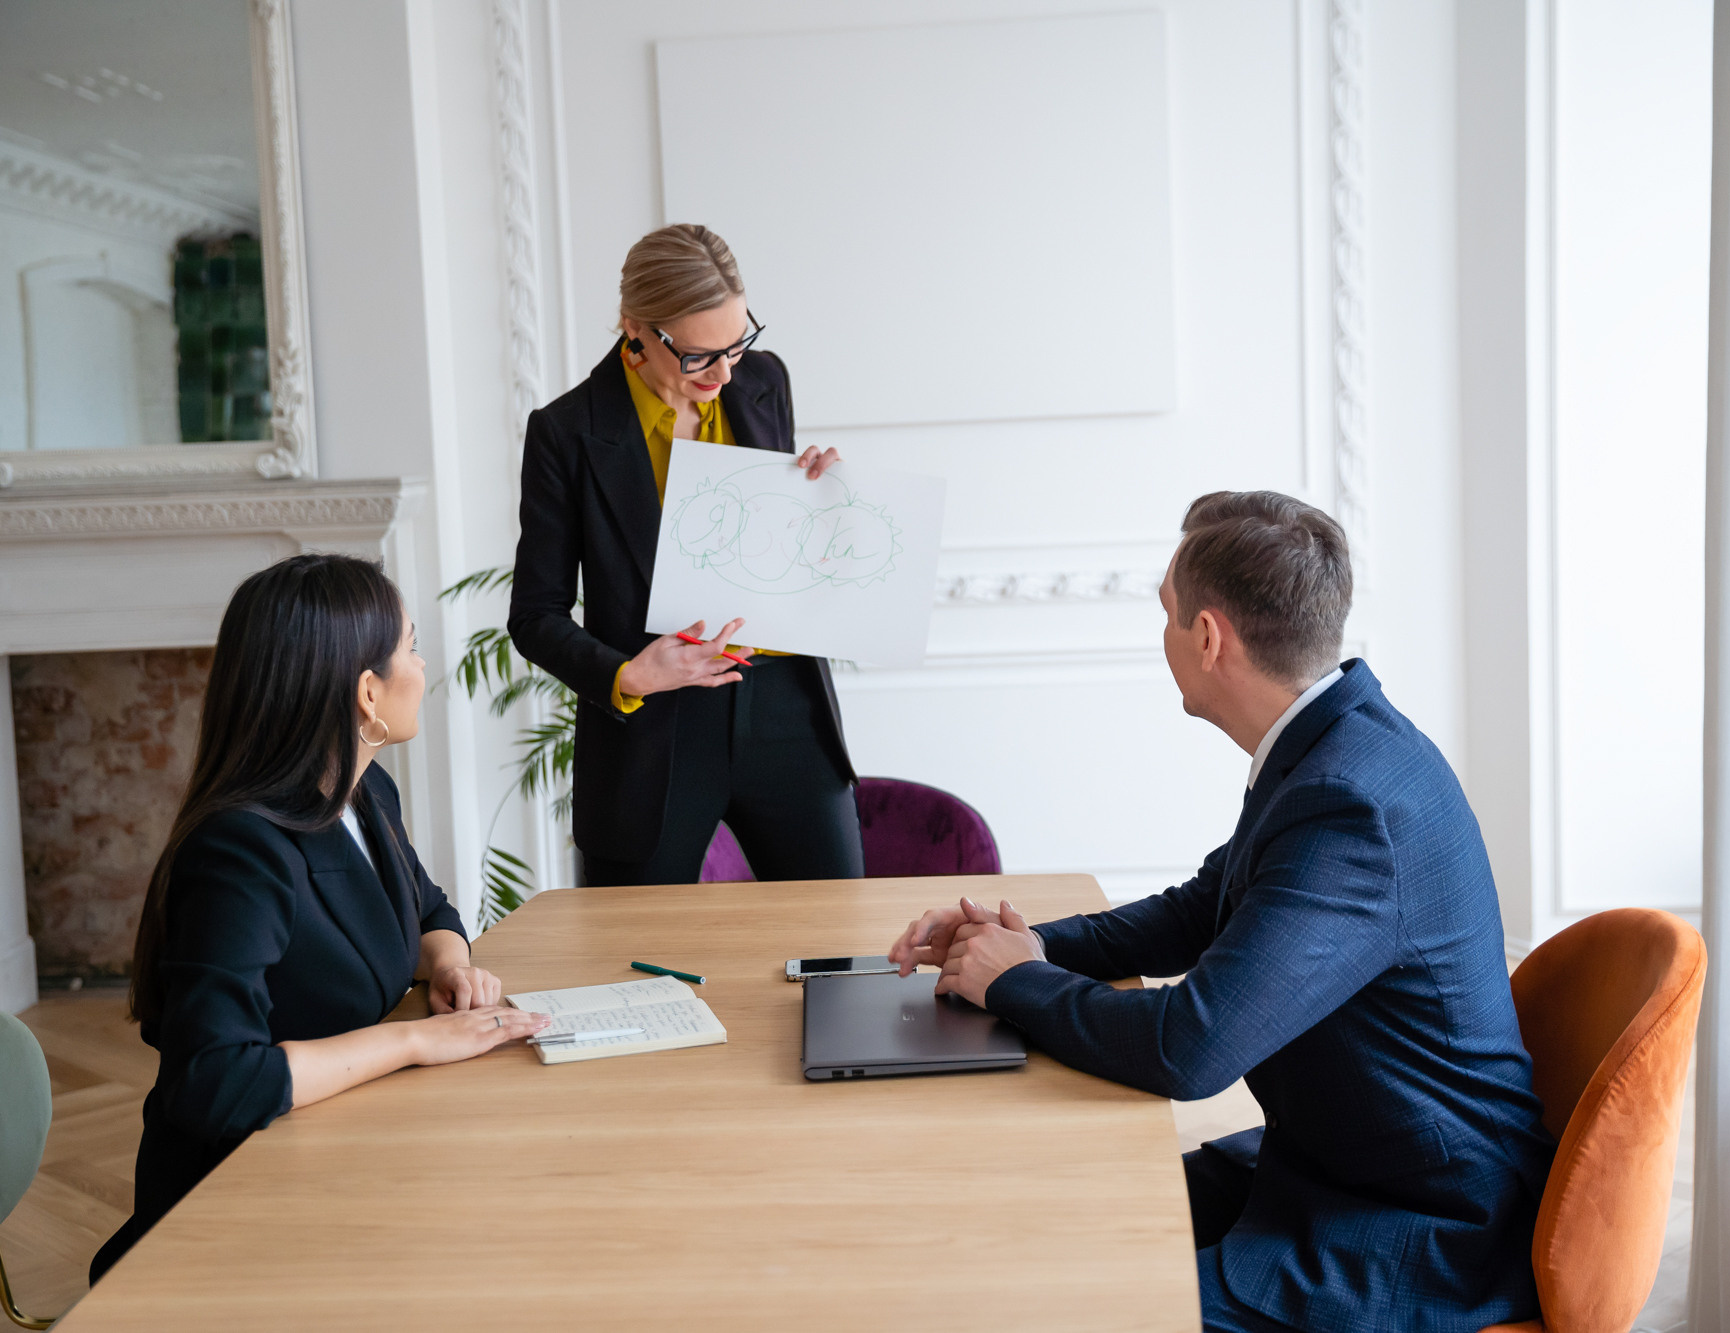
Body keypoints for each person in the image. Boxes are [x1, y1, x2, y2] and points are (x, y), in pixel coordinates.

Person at [888, 492, 1554, 1332]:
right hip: (1338, 1160)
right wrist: (1016, 947)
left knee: (1070, 1304)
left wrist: (1015, 982)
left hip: (1420, 1222)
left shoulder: (1350, 803)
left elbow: (1190, 1046)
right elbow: (1206, 906)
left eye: (1165, 614)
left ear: (1207, 638)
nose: (1161, 635)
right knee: (1049, 1228)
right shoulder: (1333, 741)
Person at [90, 554, 548, 1283]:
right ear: (369, 692)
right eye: (411, 646)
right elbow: (215, 1081)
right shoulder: (239, 850)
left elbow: (428, 908)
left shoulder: (366, 797)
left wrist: (453, 966)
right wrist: (418, 1041)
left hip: (344, 1148)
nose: (423, 667)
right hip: (238, 1210)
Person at [508, 223, 861, 886]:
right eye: (701, 356)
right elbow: (534, 614)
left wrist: (818, 494)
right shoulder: (565, 433)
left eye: (738, 342)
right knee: (632, 963)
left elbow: (772, 548)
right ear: (634, 328)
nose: (726, 372)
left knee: (839, 945)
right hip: (653, 735)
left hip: (786, 706)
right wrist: (628, 676)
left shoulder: (763, 381)